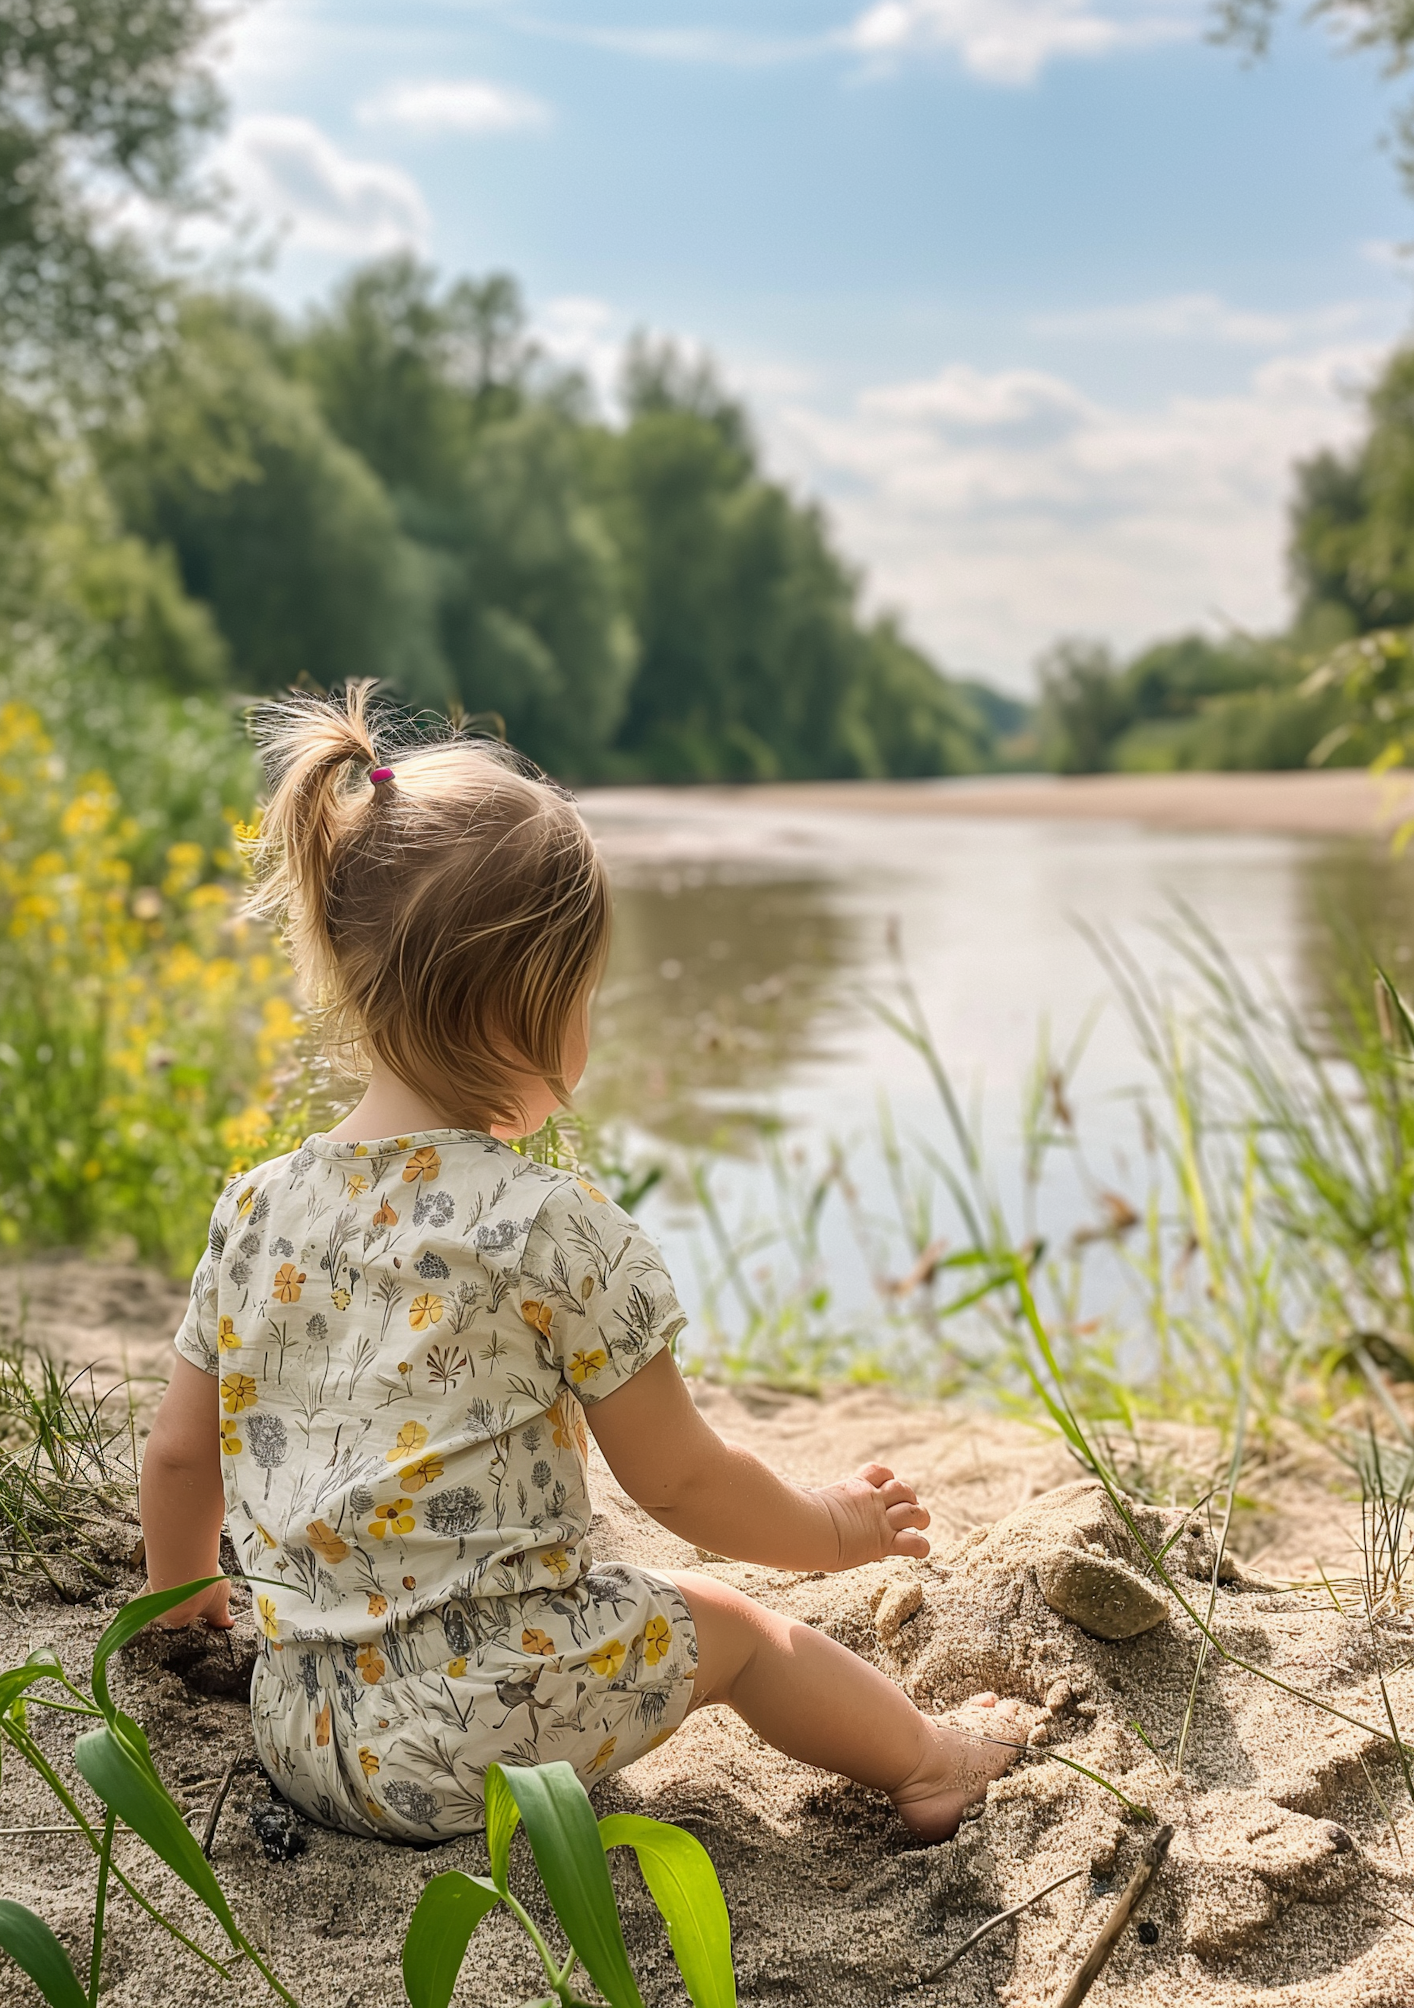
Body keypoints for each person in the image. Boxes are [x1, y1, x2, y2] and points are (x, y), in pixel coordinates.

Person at [139, 684, 1029, 1846]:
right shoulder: (546, 1224)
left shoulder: (255, 1208)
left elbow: (174, 1453)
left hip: (303, 1729)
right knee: (741, 1633)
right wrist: (836, 1527)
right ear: (534, 1004)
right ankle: (931, 1759)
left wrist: (192, 1602)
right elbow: (685, 1488)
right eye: (588, 993)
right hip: (474, 1731)